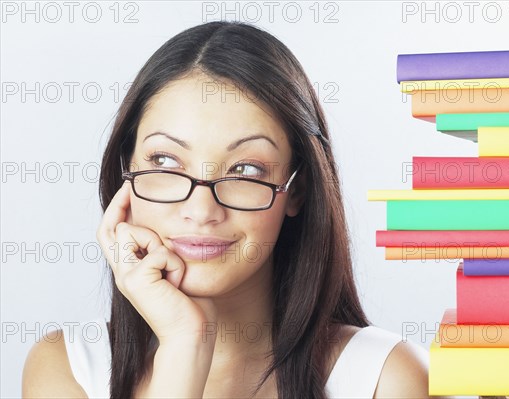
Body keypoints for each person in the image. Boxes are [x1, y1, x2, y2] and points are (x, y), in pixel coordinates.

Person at [21, 21, 429, 398]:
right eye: (164, 162)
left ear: (296, 190)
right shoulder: (69, 369)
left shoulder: (383, 378)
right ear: (127, 172)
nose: (201, 210)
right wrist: (185, 345)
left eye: (246, 170)